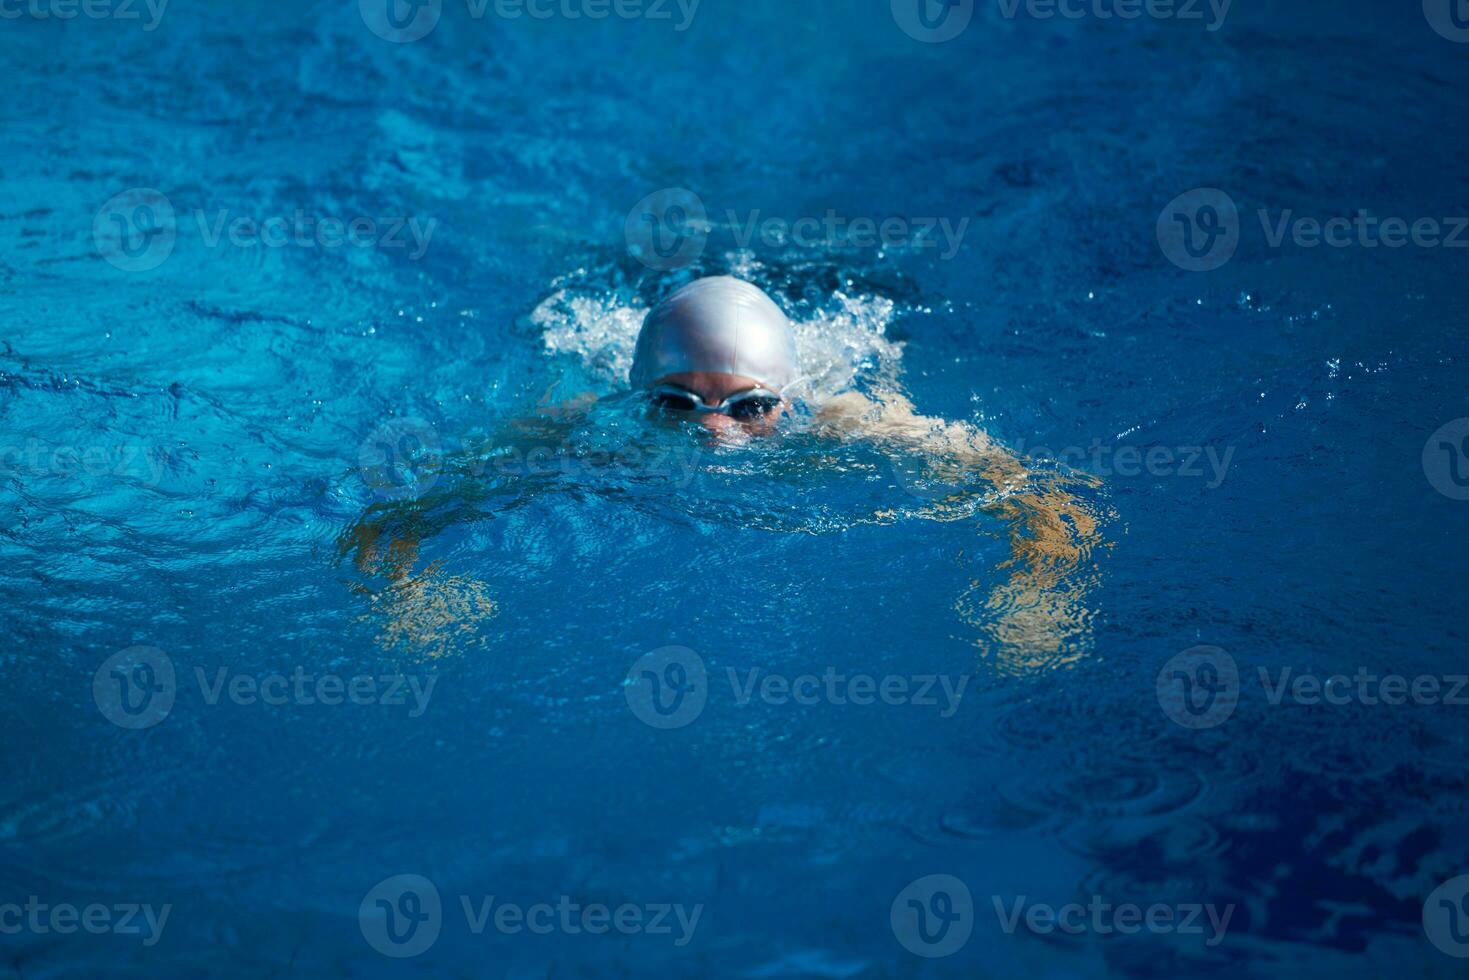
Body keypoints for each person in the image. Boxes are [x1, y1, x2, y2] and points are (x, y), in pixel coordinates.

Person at [343, 275, 1104, 665]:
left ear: (790, 400)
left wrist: (1036, 591)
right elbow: (403, 508)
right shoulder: (587, 427)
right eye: (676, 404)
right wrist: (405, 592)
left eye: (749, 407)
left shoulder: (849, 422)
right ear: (638, 395)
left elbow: (1041, 492)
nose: (712, 432)